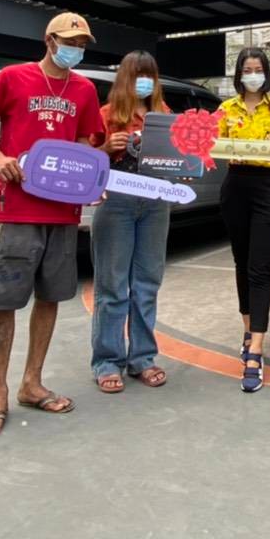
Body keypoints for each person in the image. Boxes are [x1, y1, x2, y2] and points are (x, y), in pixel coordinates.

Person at [0, 12, 105, 441]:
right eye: (69, 42)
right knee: (4, 303)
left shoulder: (84, 89)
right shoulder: (12, 77)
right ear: (49, 40)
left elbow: (84, 142)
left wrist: (88, 182)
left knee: (50, 298)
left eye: (81, 44)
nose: (75, 50)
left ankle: (32, 383)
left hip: (62, 212)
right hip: (15, 208)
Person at [87, 51, 173, 393]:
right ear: (125, 78)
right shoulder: (106, 115)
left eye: (149, 75)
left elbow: (179, 158)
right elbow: (86, 161)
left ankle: (142, 358)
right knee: (112, 286)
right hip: (117, 202)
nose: (144, 82)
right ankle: (107, 361)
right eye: (138, 75)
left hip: (156, 201)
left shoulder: (163, 114)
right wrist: (108, 148)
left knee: (147, 283)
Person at [216, 46, 270, 393]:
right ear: (239, 74)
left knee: (260, 268)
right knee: (241, 264)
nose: (253, 75)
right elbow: (210, 143)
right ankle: (248, 331)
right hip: (235, 187)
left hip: (268, 189)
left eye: (258, 69)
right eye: (247, 69)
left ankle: (256, 351)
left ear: (266, 73)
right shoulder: (225, 109)